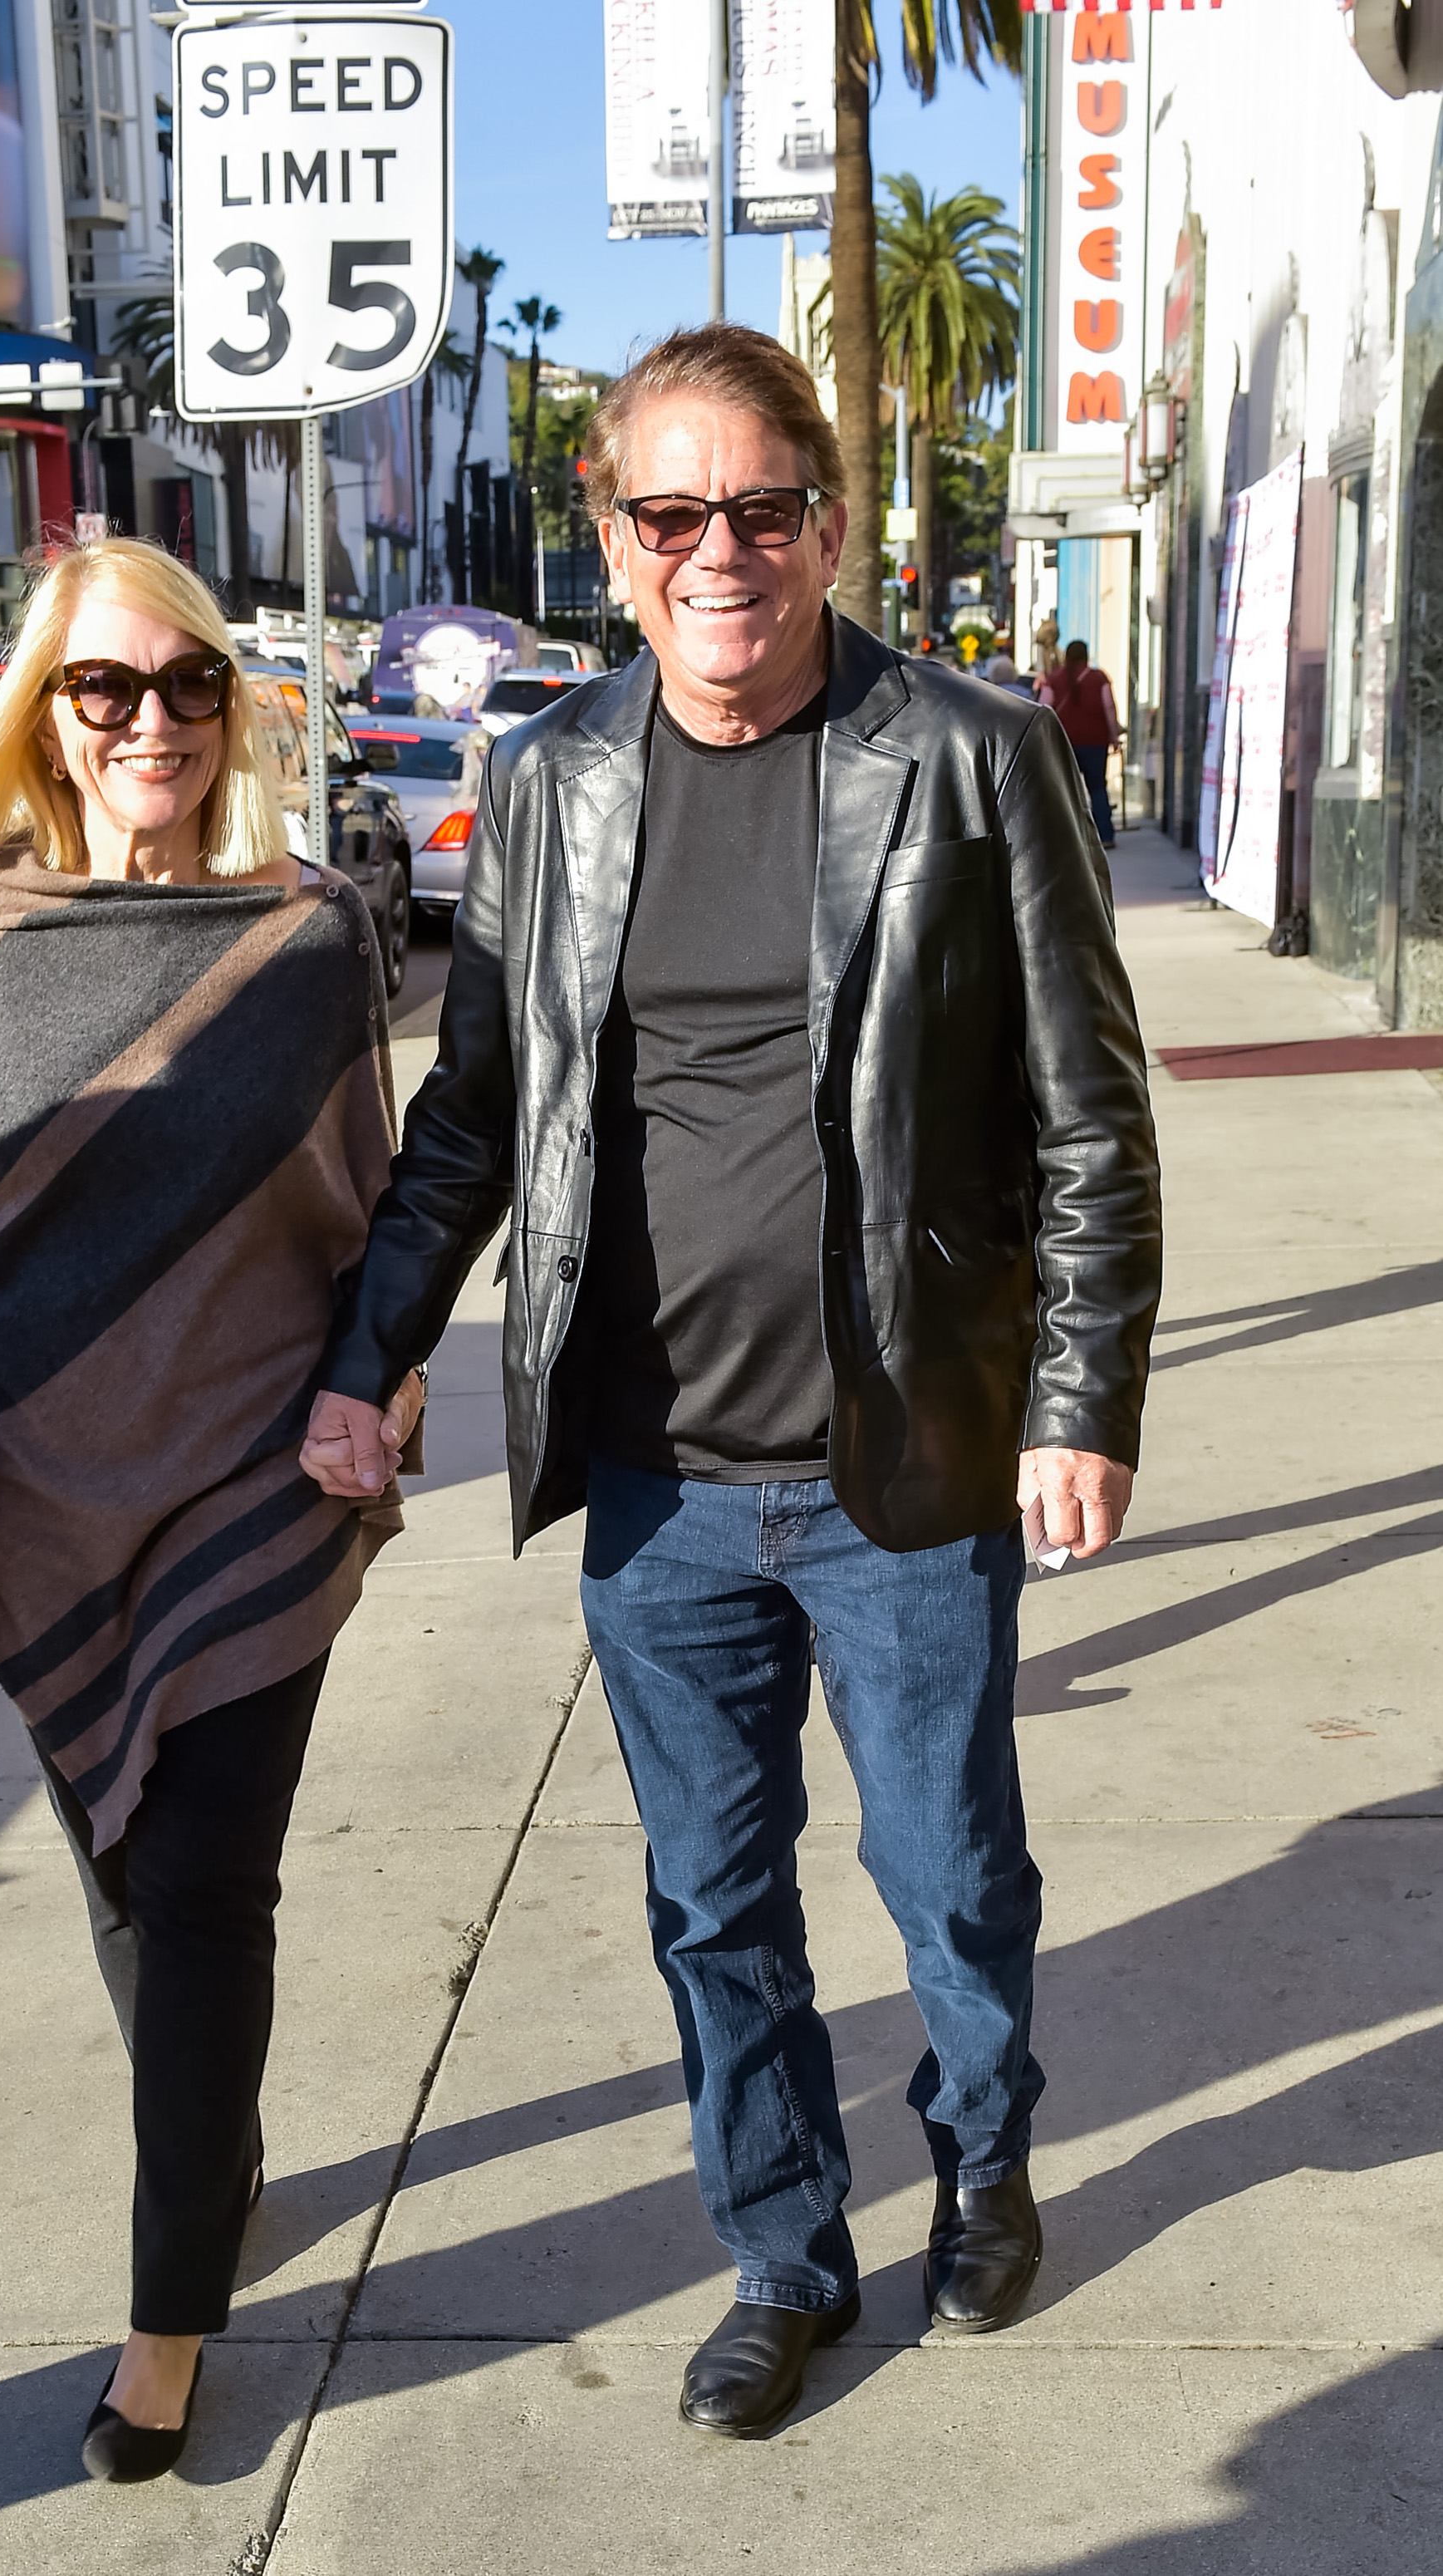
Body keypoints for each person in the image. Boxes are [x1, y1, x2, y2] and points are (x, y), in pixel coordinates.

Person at [302, 325, 1161, 2437]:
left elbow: (1087, 1119)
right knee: (714, 1900)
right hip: (659, 1478)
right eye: (669, 512)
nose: (718, 551)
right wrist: (368, 1352)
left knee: (949, 1868)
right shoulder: (555, 781)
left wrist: (1079, 1395)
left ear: (825, 522)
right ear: (608, 532)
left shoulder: (966, 753)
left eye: (758, 510)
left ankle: (980, 2157)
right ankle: (784, 2247)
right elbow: (475, 1120)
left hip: (911, 1450)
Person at [0, 537, 422, 2484]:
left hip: (250, 1486)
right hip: (42, 1491)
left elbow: (381, 1224)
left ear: (229, 706)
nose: (147, 722)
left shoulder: (310, 933)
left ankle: (168, 2321)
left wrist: (375, 1390)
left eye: (183, 686)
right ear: (46, 715)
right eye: (105, 689)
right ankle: (217, 2147)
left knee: (199, 1885)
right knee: (117, 1864)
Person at [1047, 639, 1123, 848]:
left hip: (1063, 742)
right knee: (1098, 788)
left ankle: (1065, 839)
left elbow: (1044, 708)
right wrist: (1114, 735)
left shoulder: (1054, 679)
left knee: (1063, 790)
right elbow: (1109, 707)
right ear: (1086, 655)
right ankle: (1105, 835)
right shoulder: (1098, 678)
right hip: (1095, 742)